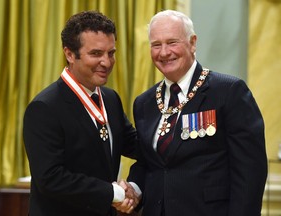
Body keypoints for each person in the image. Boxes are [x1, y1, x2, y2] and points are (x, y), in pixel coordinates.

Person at [127, 9, 268, 216]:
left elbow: (250, 171)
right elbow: (149, 163)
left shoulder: (228, 92)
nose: (164, 52)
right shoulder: (144, 103)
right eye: (156, 45)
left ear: (192, 43)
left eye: (172, 42)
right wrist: (133, 190)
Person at [23, 11, 139, 216]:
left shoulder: (111, 99)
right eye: (96, 54)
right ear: (69, 54)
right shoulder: (45, 107)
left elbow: (137, 145)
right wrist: (114, 193)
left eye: (111, 53)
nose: (107, 62)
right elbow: (51, 178)